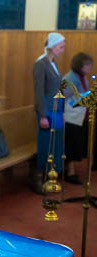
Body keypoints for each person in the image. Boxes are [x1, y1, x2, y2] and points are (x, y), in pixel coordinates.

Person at [32, 32, 66, 194]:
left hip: (56, 109)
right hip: (46, 110)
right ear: (52, 47)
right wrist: (43, 115)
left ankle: (50, 176)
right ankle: (38, 178)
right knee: (46, 144)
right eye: (61, 47)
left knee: (56, 144)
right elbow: (38, 91)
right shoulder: (41, 64)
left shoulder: (53, 63)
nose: (62, 50)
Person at [62, 53, 93, 184]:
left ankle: (69, 170)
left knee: (76, 144)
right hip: (70, 117)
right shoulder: (70, 78)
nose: (90, 67)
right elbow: (65, 97)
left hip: (79, 116)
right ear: (80, 66)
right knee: (70, 145)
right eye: (87, 64)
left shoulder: (82, 77)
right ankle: (69, 172)